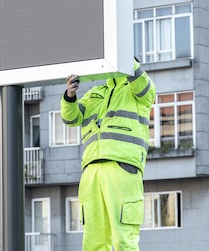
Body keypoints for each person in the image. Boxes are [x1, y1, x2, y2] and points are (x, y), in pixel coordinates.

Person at [61, 58, 156, 251]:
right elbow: (70, 118)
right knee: (93, 242)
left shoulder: (137, 89)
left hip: (122, 166)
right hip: (91, 169)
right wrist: (70, 96)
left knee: (124, 240)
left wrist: (126, 56)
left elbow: (145, 88)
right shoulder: (94, 93)